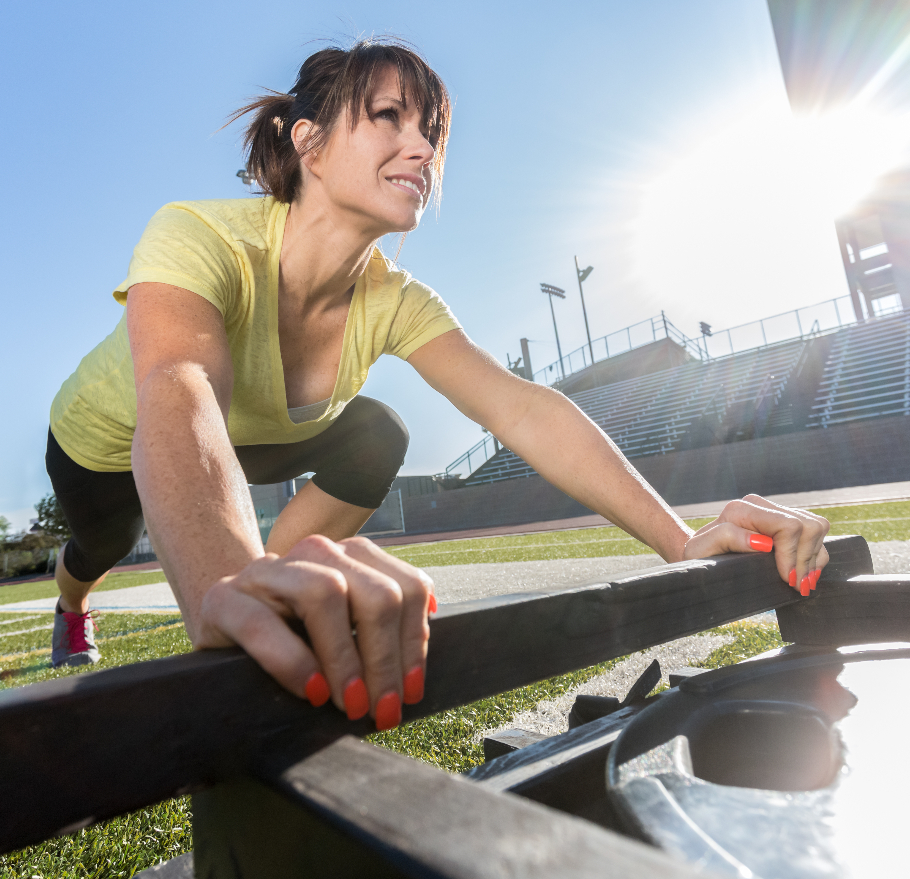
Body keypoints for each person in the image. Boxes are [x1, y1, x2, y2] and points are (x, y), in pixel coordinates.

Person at [44, 39, 829, 732]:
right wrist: (222, 582)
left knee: (379, 433)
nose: (421, 147)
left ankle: (279, 573)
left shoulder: (396, 298)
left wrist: (683, 539)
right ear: (309, 144)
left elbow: (522, 408)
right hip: (108, 445)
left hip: (253, 442)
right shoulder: (201, 233)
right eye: (389, 116)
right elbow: (181, 389)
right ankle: (73, 603)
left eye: (432, 132)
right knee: (100, 547)